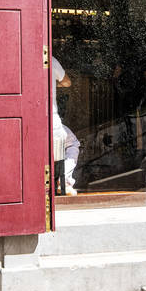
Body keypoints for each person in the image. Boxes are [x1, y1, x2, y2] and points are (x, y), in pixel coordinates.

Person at [52, 56, 80, 195]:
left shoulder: (17, 58)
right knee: (72, 143)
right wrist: (53, 82)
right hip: (50, 122)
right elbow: (67, 82)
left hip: (24, 123)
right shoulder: (50, 60)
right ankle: (65, 182)